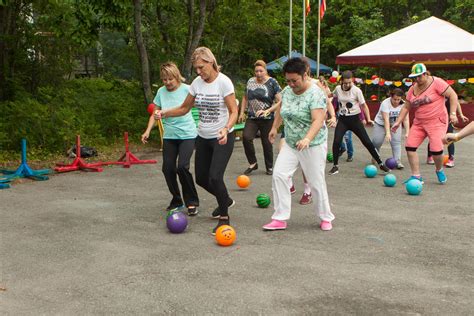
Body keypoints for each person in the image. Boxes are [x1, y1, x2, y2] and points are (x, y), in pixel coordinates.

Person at [154, 47, 238, 234]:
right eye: (196, 69)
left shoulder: (224, 82)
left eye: (201, 67)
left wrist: (226, 128)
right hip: (203, 136)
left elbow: (234, 111)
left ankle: (224, 218)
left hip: (222, 137)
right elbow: (184, 108)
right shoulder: (197, 84)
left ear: (211, 62)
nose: (199, 72)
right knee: (201, 178)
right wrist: (164, 112)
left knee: (215, 176)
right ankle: (226, 199)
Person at [262, 57, 334, 231]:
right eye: (288, 80)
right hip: (292, 143)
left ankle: (325, 217)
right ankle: (280, 218)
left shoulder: (315, 93)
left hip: (313, 144)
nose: (291, 84)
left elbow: (318, 119)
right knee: (279, 175)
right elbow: (281, 108)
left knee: (316, 181)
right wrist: (274, 127)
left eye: (295, 80)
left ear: (305, 75)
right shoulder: (287, 91)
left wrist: (308, 138)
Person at [141, 62, 199, 216]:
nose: (167, 83)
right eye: (164, 80)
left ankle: (192, 202)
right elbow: (156, 113)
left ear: (177, 77)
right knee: (167, 168)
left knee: (182, 167)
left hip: (187, 135)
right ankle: (177, 199)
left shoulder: (187, 89)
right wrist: (147, 131)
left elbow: (195, 106)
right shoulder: (161, 92)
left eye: (170, 79)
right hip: (169, 136)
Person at [392, 63, 459, 184]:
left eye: (419, 76)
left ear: (425, 74)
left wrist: (453, 114)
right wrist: (398, 122)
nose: (417, 79)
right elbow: (406, 107)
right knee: (410, 147)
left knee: (436, 150)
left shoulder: (437, 82)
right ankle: (416, 176)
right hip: (419, 123)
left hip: (437, 121)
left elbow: (453, 95)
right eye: (414, 77)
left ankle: (439, 169)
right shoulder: (412, 89)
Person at [329, 70, 390, 175]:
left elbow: (364, 106)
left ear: (352, 80)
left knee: (367, 142)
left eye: (350, 82)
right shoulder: (338, 89)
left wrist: (368, 118)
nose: (348, 84)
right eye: (345, 83)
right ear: (342, 81)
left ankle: (380, 164)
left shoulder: (357, 91)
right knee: (336, 141)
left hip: (355, 120)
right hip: (343, 120)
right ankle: (335, 166)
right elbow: (331, 95)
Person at [239, 60, 282, 176]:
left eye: (260, 71)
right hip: (252, 116)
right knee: (246, 137)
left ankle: (269, 166)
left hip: (267, 118)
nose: (258, 73)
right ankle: (253, 163)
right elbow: (245, 97)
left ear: (265, 71)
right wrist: (242, 112)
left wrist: (268, 110)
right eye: (256, 71)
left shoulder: (272, 82)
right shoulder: (250, 81)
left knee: (267, 143)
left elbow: (281, 101)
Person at [371, 88, 410, 169]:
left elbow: (405, 119)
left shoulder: (404, 104)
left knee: (396, 142)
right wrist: (388, 133)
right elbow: (386, 120)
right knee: (376, 142)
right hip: (380, 124)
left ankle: (397, 161)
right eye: (394, 99)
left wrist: (407, 132)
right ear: (391, 97)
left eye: (398, 99)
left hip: (395, 124)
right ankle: (375, 156)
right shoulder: (385, 103)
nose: (396, 101)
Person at [426, 99, 469, 167]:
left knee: (450, 138)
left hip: (448, 120)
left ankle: (451, 159)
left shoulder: (450, 94)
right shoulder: (436, 94)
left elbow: (456, 103)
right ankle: (430, 156)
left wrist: (461, 115)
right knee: (434, 138)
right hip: (436, 120)